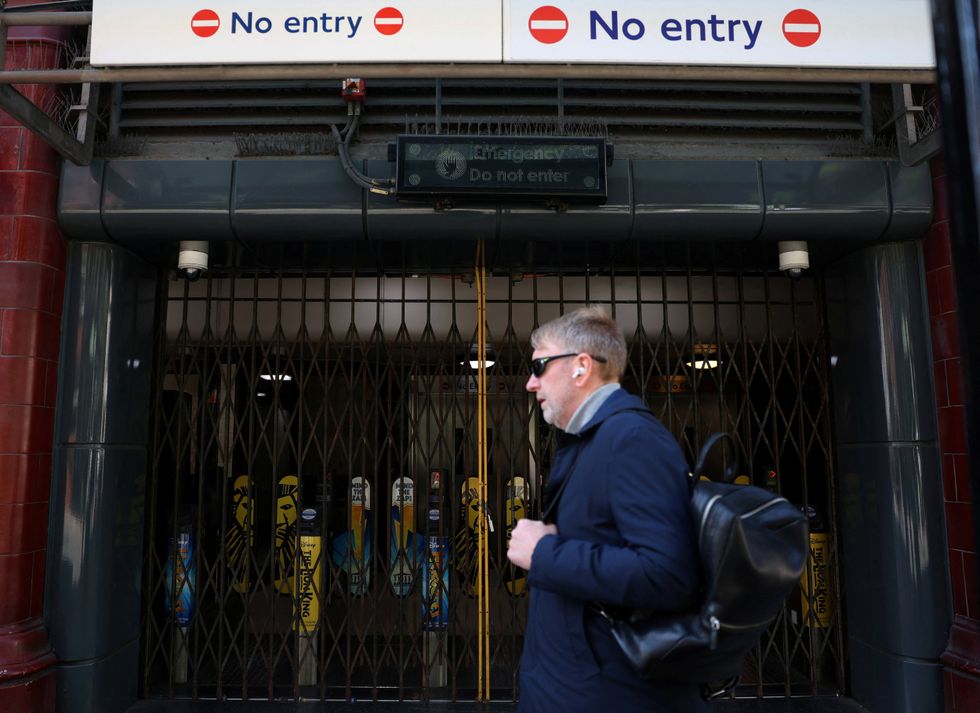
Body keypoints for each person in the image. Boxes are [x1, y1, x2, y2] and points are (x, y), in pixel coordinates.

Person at [507, 306, 705, 713]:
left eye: (540, 366)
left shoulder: (631, 440)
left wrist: (545, 552)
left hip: (610, 693)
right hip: (581, 687)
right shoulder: (593, 440)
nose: (530, 383)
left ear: (581, 367)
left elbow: (667, 574)